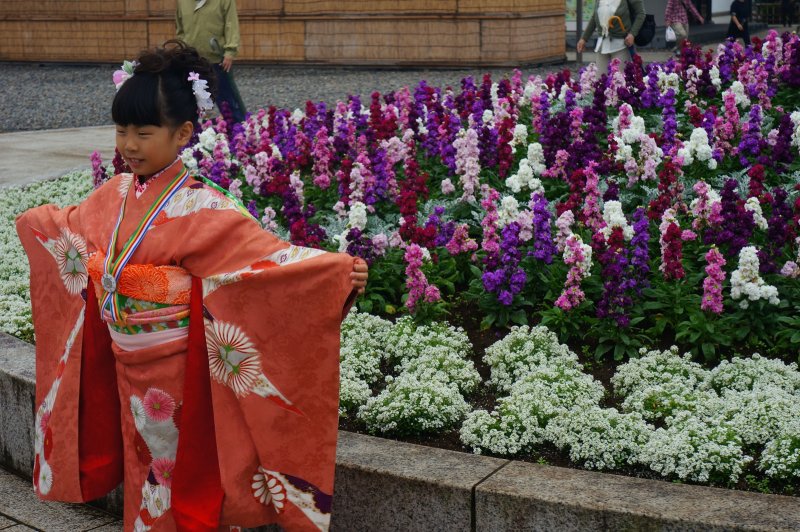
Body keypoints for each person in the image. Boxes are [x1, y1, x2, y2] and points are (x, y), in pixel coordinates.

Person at [16, 41, 368, 531]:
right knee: (145, 475)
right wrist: (34, 223)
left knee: (187, 478)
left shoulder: (202, 207)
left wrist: (334, 274)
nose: (129, 146)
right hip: (128, 371)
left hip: (183, 377)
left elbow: (267, 264)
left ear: (182, 133)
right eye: (121, 131)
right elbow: (69, 227)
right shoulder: (112, 195)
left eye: (144, 132)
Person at [176, 0, 247, 123]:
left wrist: (230, 51)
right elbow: (180, 29)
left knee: (227, 101)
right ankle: (200, 133)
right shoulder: (182, 2)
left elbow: (231, 24)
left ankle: (238, 132)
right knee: (198, 102)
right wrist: (183, 50)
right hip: (193, 61)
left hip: (218, 61)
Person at [576, 0, 646, 74]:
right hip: (602, 45)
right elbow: (594, 17)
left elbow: (641, 13)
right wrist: (584, 38)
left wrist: (632, 34)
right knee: (600, 81)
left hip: (621, 44)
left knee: (620, 80)